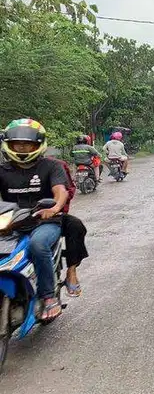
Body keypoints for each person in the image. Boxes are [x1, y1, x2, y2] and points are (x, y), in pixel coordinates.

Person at [0, 119, 68, 321]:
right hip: (10, 222)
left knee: (38, 245)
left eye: (27, 144)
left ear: (37, 145)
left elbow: (60, 191)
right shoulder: (2, 170)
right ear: (8, 144)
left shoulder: (52, 166)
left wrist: (55, 207)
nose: (22, 148)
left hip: (44, 222)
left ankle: (48, 297)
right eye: (17, 144)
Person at [44, 148, 88, 297]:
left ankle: (72, 270)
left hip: (49, 214)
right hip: (13, 217)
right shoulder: (6, 170)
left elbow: (66, 190)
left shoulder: (55, 166)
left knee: (75, 226)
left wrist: (55, 207)